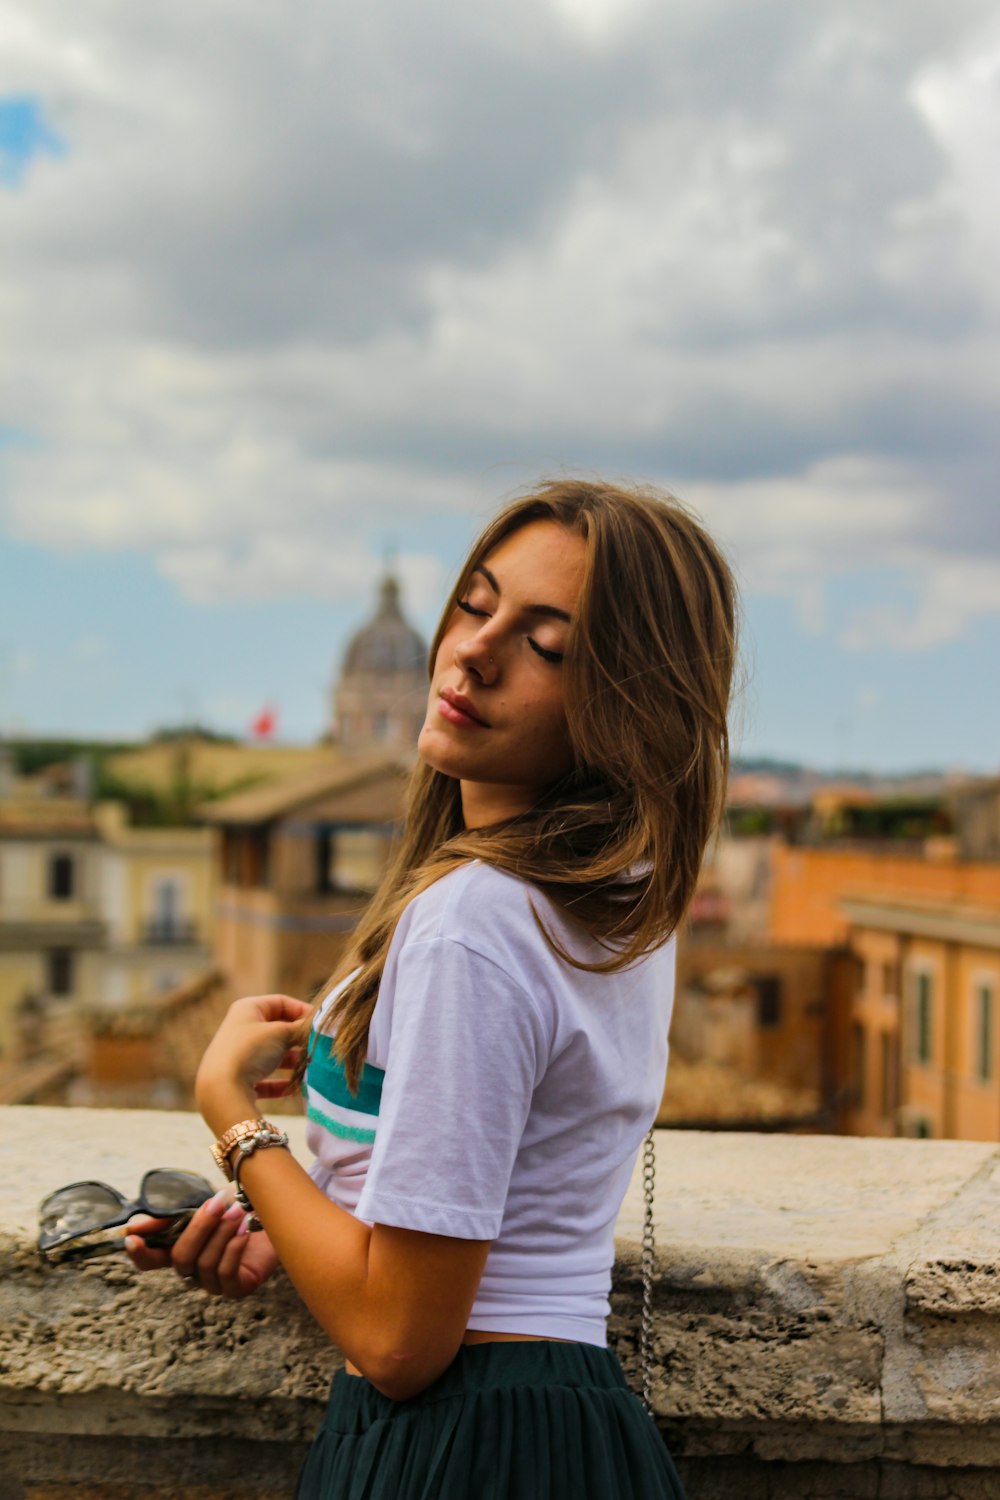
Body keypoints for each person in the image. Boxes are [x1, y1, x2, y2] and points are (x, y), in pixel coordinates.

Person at [127, 478, 737, 1499]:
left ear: (628, 702)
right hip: (567, 1425)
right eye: (476, 604)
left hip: (465, 1443)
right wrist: (295, 1215)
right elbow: (494, 1186)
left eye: (545, 645)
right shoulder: (617, 896)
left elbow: (400, 1337)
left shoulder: (477, 921)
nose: (472, 652)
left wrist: (232, 1116)